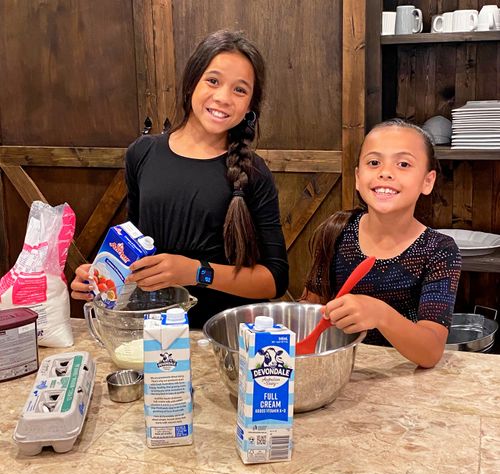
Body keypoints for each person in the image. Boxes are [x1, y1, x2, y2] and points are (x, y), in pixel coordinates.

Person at [71, 30, 289, 328]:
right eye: (213, 81)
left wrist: (196, 272)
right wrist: (100, 275)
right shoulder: (142, 153)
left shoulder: (254, 172)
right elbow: (134, 244)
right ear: (191, 84)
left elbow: (274, 279)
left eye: (240, 90)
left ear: (250, 105)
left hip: (223, 337)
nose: (223, 97)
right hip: (150, 333)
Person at [302, 119, 461, 368]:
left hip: (405, 380)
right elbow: (310, 310)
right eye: (374, 162)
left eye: (403, 164)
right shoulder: (336, 231)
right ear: (357, 177)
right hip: (341, 370)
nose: (385, 172)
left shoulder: (439, 250)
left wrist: (379, 314)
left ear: (427, 181)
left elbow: (430, 352)